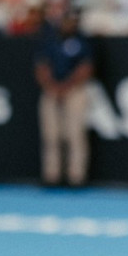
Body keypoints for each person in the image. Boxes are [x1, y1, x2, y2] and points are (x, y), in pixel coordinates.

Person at [33, 10, 94, 186]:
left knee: (75, 134)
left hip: (74, 91)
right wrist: (52, 86)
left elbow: (86, 67)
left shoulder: (83, 42)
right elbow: (41, 66)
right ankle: (52, 176)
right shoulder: (50, 41)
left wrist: (67, 86)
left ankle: (76, 176)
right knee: (50, 135)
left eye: (72, 21)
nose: (69, 24)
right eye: (66, 21)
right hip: (51, 90)